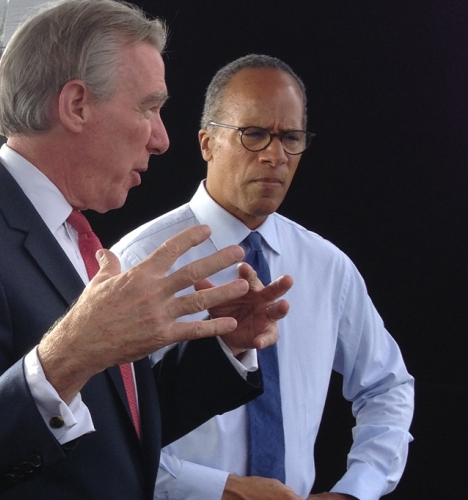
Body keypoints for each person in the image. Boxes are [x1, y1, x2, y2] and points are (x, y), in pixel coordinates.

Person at [0, 1, 295, 498]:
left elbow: (116, 430)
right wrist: (69, 353)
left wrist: (223, 348)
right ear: (76, 105)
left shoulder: (73, 235)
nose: (161, 139)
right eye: (148, 107)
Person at [111, 54, 415, 500]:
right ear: (207, 143)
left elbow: (388, 385)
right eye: (254, 134)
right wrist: (220, 490)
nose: (276, 155)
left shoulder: (328, 267)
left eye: (290, 137)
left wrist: (357, 489)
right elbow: (100, 430)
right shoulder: (140, 261)